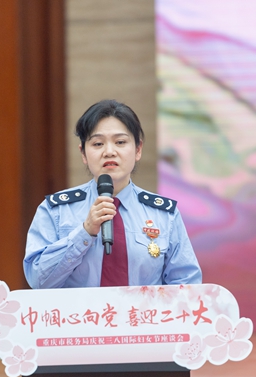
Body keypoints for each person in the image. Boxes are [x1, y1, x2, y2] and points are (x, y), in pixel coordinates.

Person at [23, 99, 202, 288]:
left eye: (120, 142)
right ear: (83, 153)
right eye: (98, 143)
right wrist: (85, 232)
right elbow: (38, 281)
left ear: (138, 149)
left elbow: (187, 286)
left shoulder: (164, 214)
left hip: (143, 309)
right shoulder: (56, 210)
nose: (109, 152)